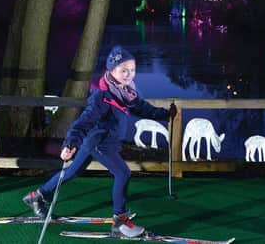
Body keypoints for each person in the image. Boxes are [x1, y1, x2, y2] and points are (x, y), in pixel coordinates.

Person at [23, 45, 177, 238]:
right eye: (123, 70)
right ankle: (120, 222)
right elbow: (83, 122)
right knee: (123, 173)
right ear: (111, 70)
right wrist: (70, 143)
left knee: (71, 172)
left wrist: (164, 114)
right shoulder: (101, 96)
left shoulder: (127, 91)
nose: (129, 74)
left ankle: (37, 196)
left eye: (132, 70)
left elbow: (142, 108)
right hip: (100, 143)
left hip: (99, 142)